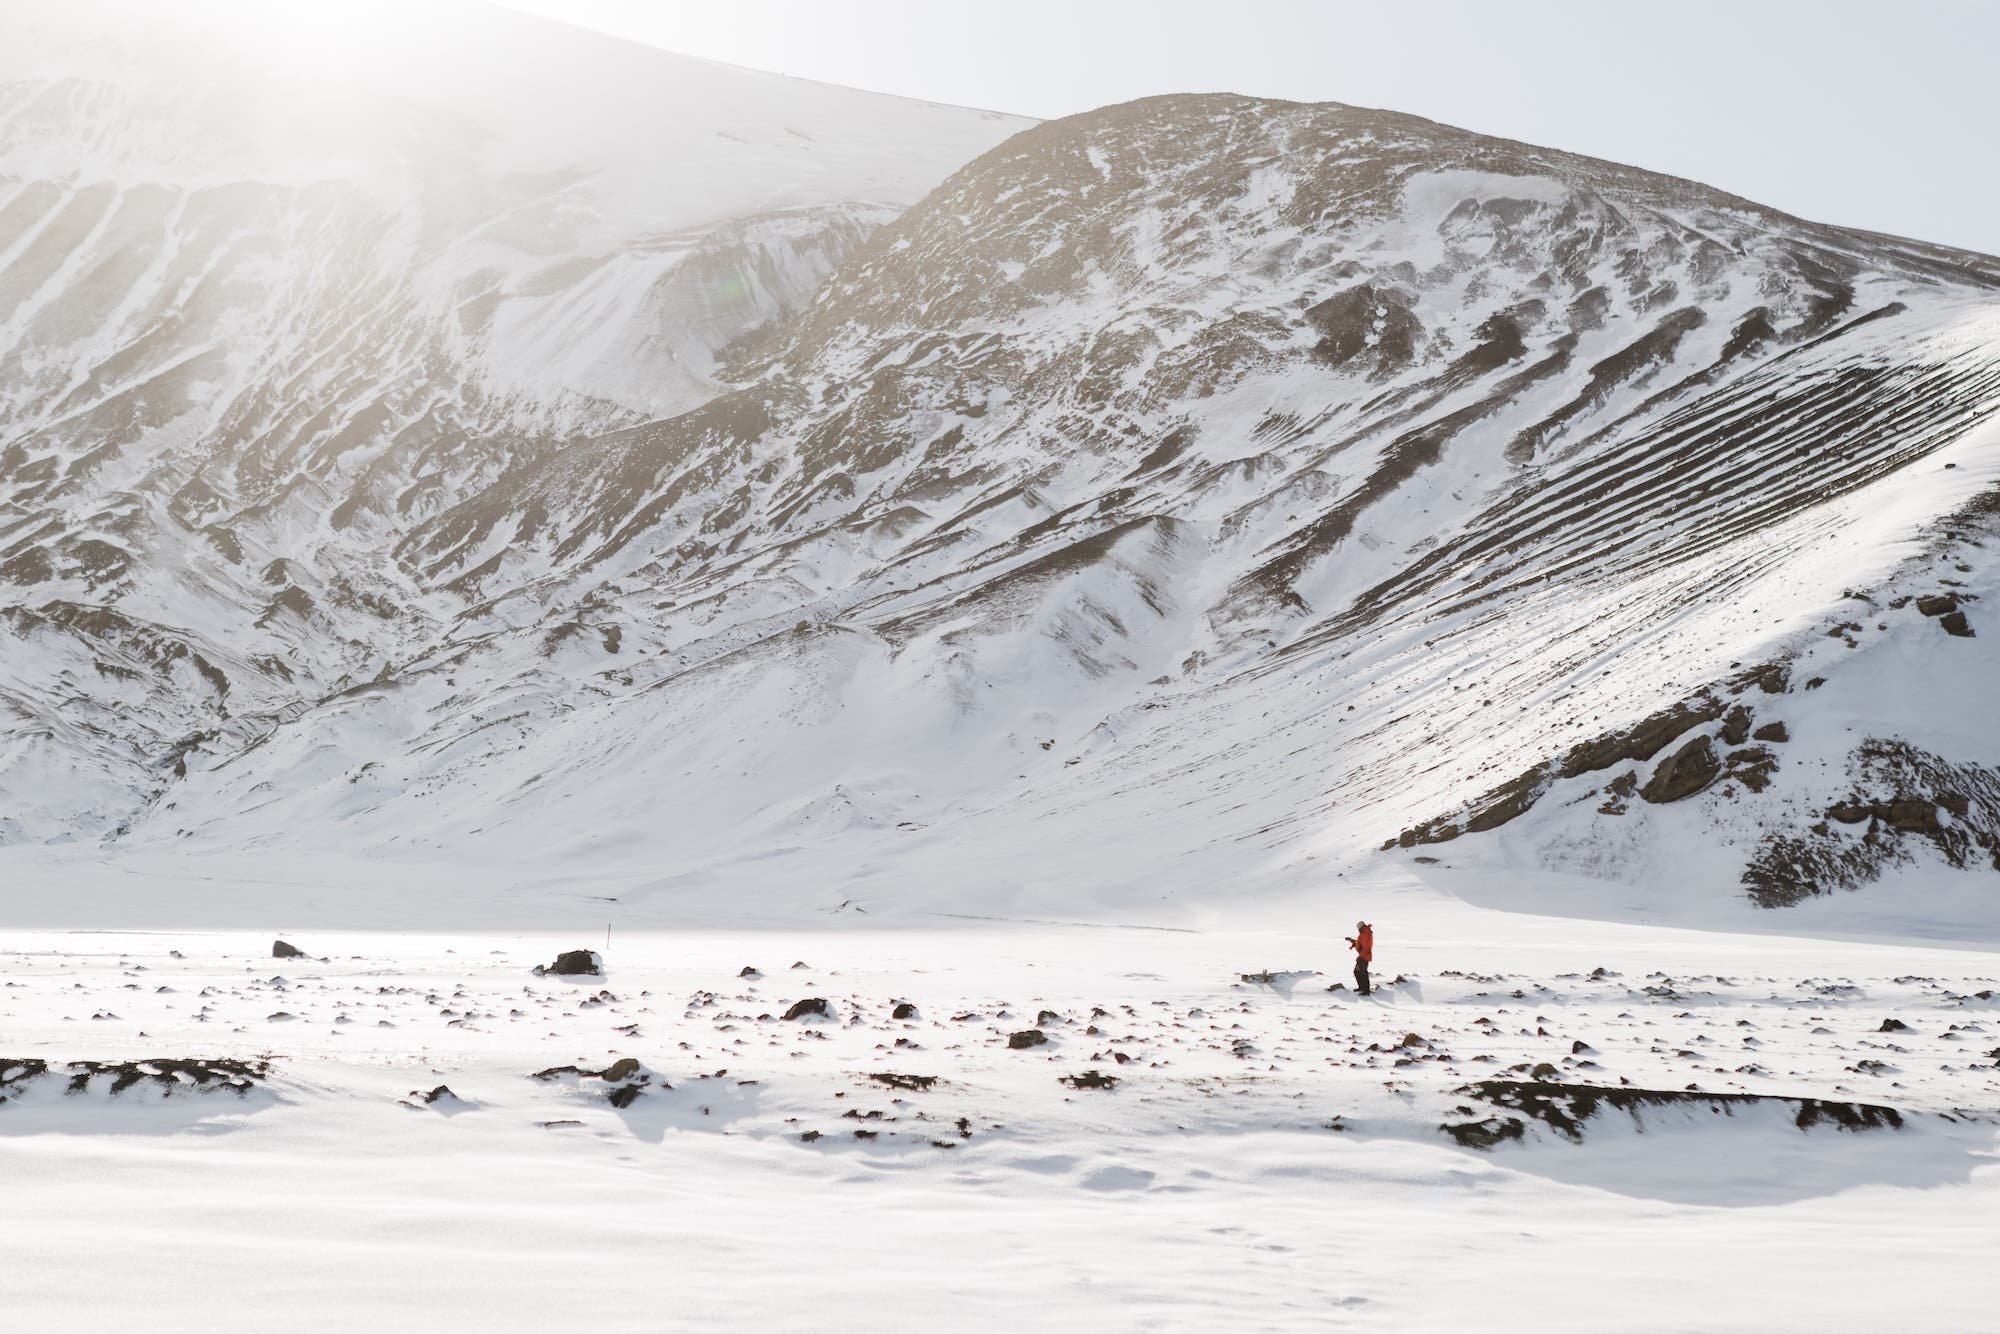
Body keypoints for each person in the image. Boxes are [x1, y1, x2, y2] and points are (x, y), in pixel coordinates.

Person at [1345, 920, 1373, 995]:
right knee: (1357, 972)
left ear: (1361, 927)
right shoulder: (1363, 934)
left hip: (1364, 956)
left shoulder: (1366, 934)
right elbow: (1359, 944)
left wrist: (1361, 957)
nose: (1358, 929)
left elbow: (1366, 948)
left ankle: (1366, 991)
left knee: (1363, 973)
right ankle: (1362, 988)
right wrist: (1351, 941)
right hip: (1363, 956)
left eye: (1358, 928)